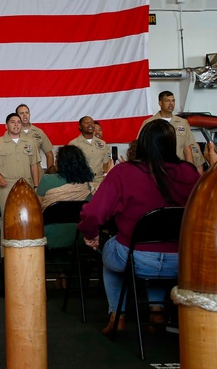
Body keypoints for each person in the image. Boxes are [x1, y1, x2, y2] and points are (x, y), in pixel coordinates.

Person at [78, 119, 199, 335]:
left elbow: (93, 213)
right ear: (172, 143)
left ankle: (117, 314)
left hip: (137, 258)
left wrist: (91, 234)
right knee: (160, 243)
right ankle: (156, 310)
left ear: (142, 142)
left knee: (110, 250)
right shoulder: (189, 173)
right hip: (183, 260)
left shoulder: (124, 172)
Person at [0, 113, 40, 236]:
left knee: (27, 216)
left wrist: (36, 186)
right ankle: (6, 253)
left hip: (26, 184)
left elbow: (34, 165)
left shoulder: (30, 142)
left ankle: (25, 251)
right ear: (6, 125)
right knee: (8, 216)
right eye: (12, 122)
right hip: (7, 184)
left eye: (19, 122)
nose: (16, 124)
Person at [36, 145, 95, 250]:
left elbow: (36, 209)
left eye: (57, 158)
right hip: (80, 237)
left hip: (50, 237)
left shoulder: (47, 180)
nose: (55, 161)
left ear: (60, 162)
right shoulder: (88, 186)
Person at [140, 91, 197, 169]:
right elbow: (141, 148)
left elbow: (187, 149)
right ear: (160, 103)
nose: (171, 103)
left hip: (178, 168)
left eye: (173, 101)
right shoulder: (149, 123)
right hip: (156, 168)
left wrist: (190, 170)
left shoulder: (182, 122)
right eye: (167, 101)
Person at [69, 115, 112, 182]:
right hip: (81, 181)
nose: (90, 124)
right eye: (86, 122)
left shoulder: (102, 143)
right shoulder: (73, 144)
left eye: (92, 122)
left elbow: (106, 163)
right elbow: (70, 166)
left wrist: (106, 177)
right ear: (80, 127)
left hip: (99, 180)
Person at [16, 103, 54, 174]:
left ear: (29, 115)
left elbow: (49, 154)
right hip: (18, 171)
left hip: (37, 171)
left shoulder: (39, 132)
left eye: (26, 113)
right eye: (21, 113)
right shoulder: (13, 132)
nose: (24, 115)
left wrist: (49, 175)